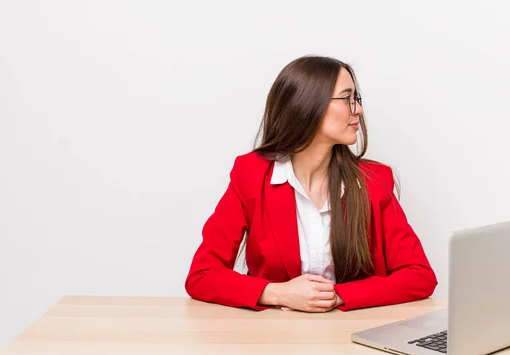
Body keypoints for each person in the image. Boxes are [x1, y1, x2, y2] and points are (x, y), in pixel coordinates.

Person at [185, 55, 437, 312]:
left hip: (353, 338)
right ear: (308, 105)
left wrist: (336, 296)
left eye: (356, 99)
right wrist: (277, 293)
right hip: (271, 338)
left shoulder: (374, 181)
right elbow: (202, 275)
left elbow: (419, 276)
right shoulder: (251, 175)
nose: (358, 109)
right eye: (346, 98)